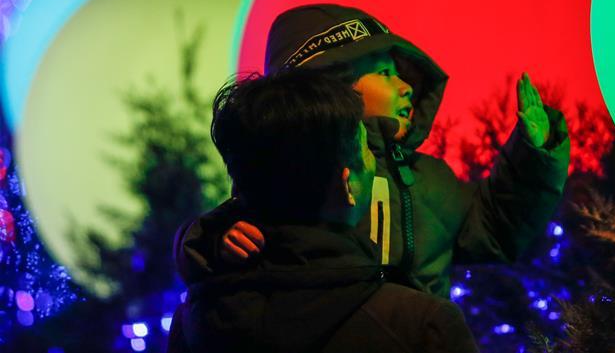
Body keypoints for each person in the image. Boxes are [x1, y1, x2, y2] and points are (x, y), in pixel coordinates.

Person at [177, 4, 570, 298]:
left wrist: (534, 155)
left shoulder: (431, 180)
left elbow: (495, 228)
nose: (406, 87)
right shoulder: (296, 177)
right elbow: (213, 233)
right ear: (332, 88)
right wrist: (219, 243)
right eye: (384, 73)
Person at [174, 68, 480, 353]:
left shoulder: (195, 323)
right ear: (347, 186)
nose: (375, 166)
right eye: (366, 149)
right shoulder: (423, 327)